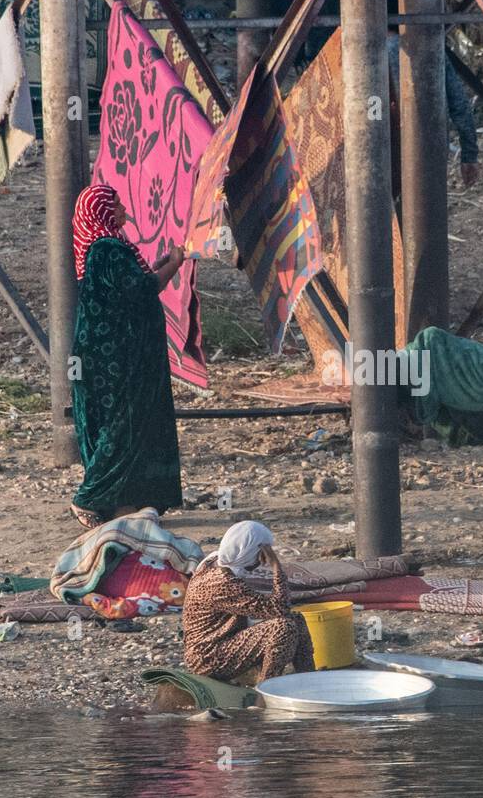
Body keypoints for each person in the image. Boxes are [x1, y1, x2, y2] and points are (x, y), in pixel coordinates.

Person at [69, 184, 186, 529]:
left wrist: (160, 267)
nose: (124, 211)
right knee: (122, 426)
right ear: (102, 211)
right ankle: (89, 498)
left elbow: (134, 287)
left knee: (123, 424)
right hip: (116, 361)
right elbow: (144, 289)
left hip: (110, 358)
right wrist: (175, 264)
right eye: (116, 205)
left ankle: (125, 501)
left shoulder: (103, 250)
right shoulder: (107, 249)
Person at [182, 521, 316, 684]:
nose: (262, 558)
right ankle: (267, 690)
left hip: (224, 639)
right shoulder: (221, 582)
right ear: (248, 552)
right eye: (262, 552)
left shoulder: (216, 561)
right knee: (283, 628)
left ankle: (310, 680)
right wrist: (276, 566)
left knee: (297, 620)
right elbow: (280, 608)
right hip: (208, 656)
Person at [387, 0, 481, 187]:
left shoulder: (364, 56)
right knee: (428, 213)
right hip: (432, 148)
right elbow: (460, 104)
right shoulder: (431, 49)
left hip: (384, 152)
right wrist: (469, 156)